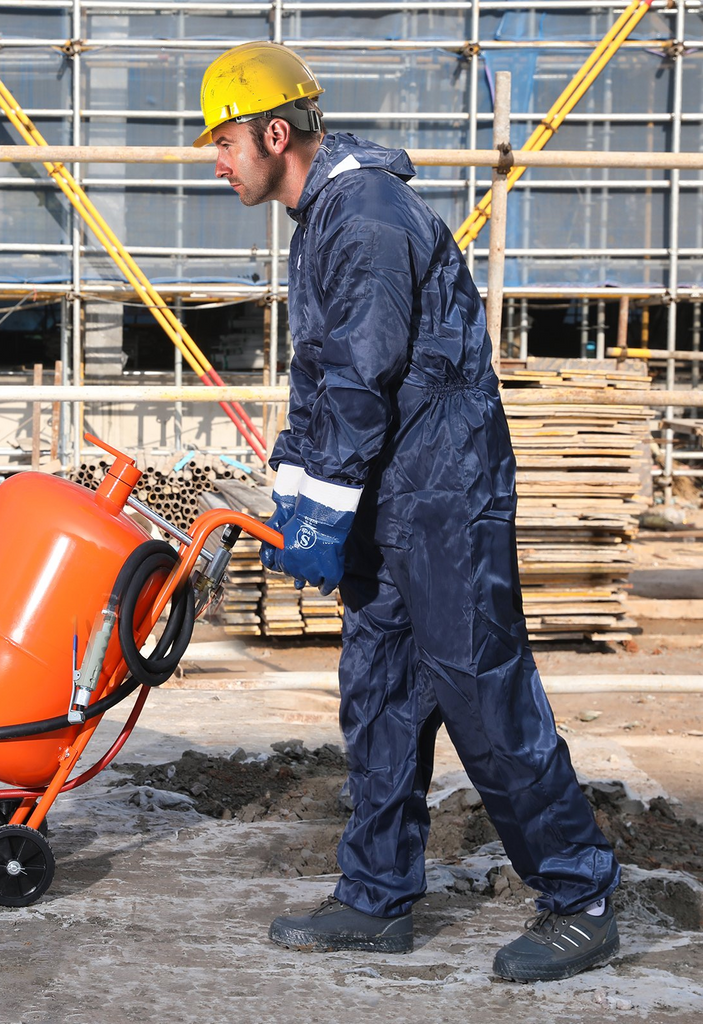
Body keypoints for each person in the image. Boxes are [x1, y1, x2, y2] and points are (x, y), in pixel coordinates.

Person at [193, 41, 621, 982]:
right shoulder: (324, 220)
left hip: (442, 496)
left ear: (275, 132)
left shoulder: (368, 218)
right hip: (395, 501)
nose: (214, 160)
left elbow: (362, 374)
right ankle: (378, 897)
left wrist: (316, 513)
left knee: (482, 693)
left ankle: (580, 893)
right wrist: (293, 494)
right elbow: (321, 387)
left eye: (223, 141)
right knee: (380, 699)